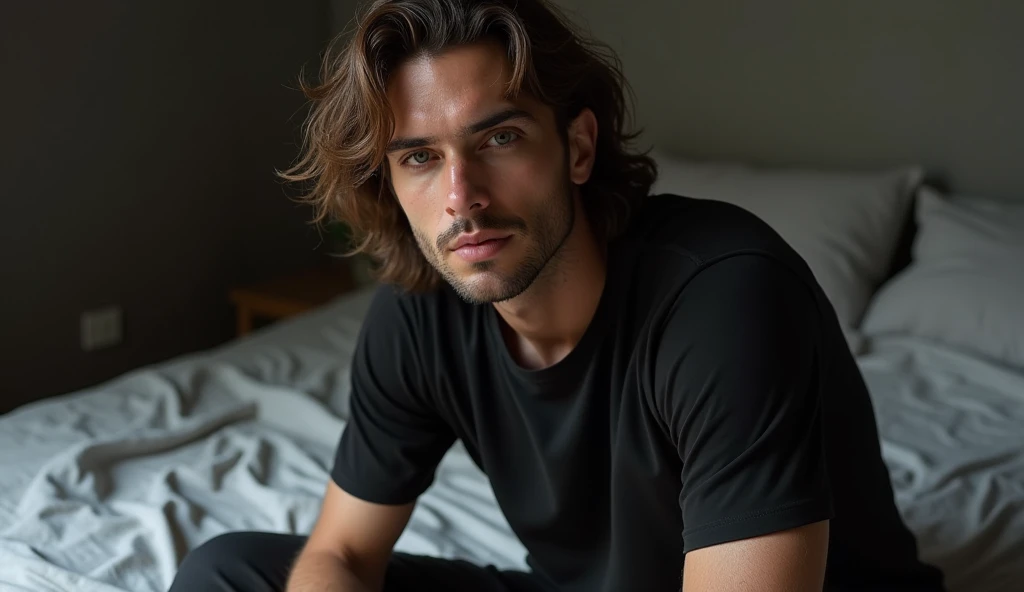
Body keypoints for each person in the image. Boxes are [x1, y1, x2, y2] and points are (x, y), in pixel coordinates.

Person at [169, 0, 947, 590]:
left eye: (497, 139)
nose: (461, 197)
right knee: (232, 570)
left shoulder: (726, 297)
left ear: (576, 146)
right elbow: (339, 552)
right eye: (419, 159)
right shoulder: (417, 314)